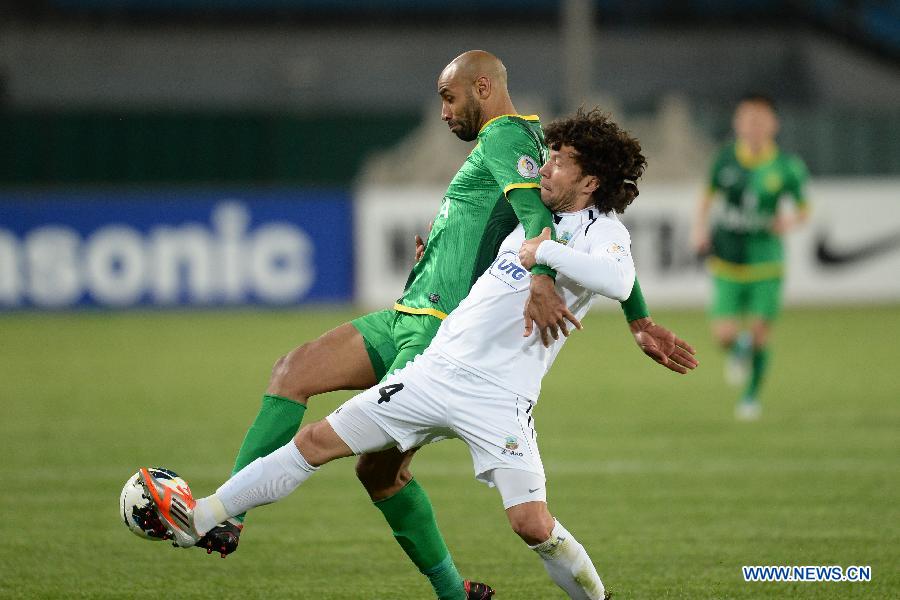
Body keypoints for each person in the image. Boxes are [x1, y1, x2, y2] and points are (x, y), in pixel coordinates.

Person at [139, 108, 697, 600]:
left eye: (560, 160)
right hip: (433, 374)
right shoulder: (533, 217)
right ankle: (200, 517)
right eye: (548, 153)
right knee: (315, 441)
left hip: (501, 400)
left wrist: (574, 273)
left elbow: (619, 277)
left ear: (590, 180)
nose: (545, 166)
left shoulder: (603, 233)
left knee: (531, 524)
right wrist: (442, 259)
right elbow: (484, 258)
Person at [691, 94, 809, 420]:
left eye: (760, 120)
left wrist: (789, 220)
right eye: (747, 120)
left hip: (766, 261)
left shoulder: (786, 166)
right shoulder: (725, 159)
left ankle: (751, 397)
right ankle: (739, 349)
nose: (754, 127)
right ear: (737, 124)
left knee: (759, 332)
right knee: (724, 335)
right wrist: (699, 227)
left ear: (773, 124)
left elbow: (804, 209)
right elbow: (707, 196)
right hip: (727, 260)